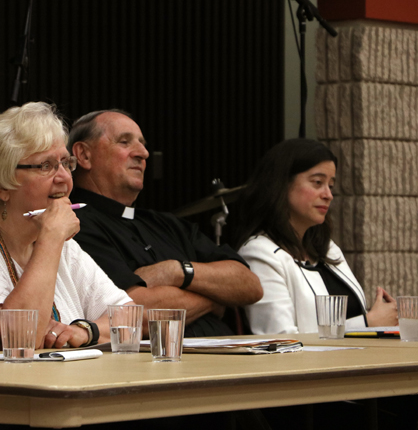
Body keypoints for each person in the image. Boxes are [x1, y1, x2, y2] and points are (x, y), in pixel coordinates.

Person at [0, 102, 133, 350]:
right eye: (46, 166)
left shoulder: (63, 246)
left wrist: (84, 330)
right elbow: (21, 338)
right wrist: (51, 238)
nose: (65, 178)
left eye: (66, 163)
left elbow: (130, 317)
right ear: (1, 185)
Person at [67, 110, 262, 337]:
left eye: (142, 144)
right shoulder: (75, 224)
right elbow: (136, 312)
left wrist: (176, 272)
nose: (143, 153)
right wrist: (216, 298)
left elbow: (251, 286)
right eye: (124, 142)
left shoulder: (167, 223)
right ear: (84, 155)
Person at [233, 138, 397, 334]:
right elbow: (280, 340)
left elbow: (351, 321)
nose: (328, 195)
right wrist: (367, 324)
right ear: (282, 184)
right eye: (318, 183)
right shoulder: (259, 253)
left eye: (331, 185)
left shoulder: (327, 248)